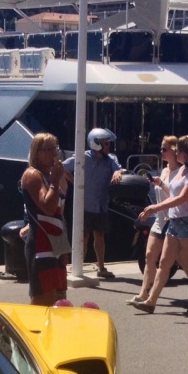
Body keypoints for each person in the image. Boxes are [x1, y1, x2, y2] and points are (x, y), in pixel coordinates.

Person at [134, 134, 188, 311]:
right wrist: (161, 184)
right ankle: (151, 301)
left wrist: (154, 207)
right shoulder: (182, 170)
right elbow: (174, 193)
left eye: (178, 151)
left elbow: (181, 198)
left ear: (185, 153)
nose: (175, 153)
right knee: (164, 262)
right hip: (175, 221)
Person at [64, 127, 125, 284]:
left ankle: (101, 267)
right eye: (105, 144)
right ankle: (77, 267)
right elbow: (63, 167)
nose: (108, 147)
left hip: (100, 205)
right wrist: (75, 182)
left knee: (100, 236)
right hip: (84, 205)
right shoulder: (82, 157)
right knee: (83, 237)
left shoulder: (110, 159)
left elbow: (118, 170)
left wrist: (118, 173)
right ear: (96, 144)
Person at [21, 133, 71, 307]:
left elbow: (59, 213)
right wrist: (55, 181)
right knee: (43, 301)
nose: (53, 153)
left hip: (55, 244)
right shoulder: (32, 175)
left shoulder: (51, 175)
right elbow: (48, 208)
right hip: (41, 245)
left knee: (59, 299)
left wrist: (64, 249)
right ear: (36, 153)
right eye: (48, 150)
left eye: (55, 148)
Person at [132, 135, 179, 307]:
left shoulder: (181, 172)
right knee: (149, 256)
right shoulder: (165, 170)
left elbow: (178, 197)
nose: (161, 152)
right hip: (160, 218)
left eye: (164, 149)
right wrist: (158, 183)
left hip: (174, 220)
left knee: (184, 263)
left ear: (174, 151)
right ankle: (143, 294)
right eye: (161, 149)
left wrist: (161, 184)